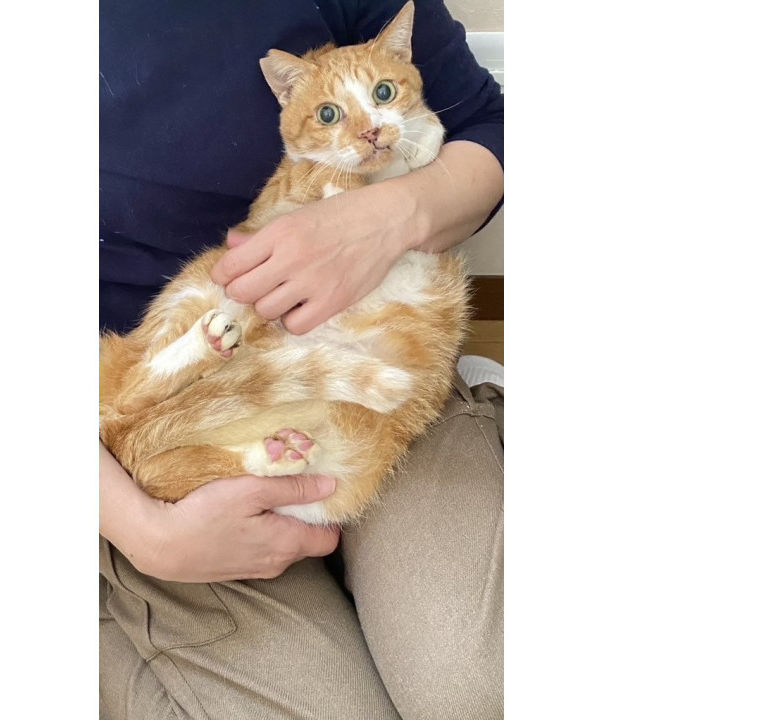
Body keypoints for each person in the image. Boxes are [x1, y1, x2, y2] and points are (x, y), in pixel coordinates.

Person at [99, 1, 504, 718]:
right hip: (158, 430)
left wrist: (392, 217)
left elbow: (487, 125)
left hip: (380, 357)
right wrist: (141, 532)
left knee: (484, 689)